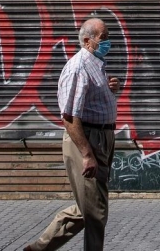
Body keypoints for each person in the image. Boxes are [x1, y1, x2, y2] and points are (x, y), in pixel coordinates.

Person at [25, 17, 120, 251]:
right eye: (104, 38)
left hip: (101, 138)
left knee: (86, 206)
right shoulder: (78, 67)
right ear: (88, 41)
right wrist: (86, 153)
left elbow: (87, 102)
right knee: (96, 212)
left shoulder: (95, 64)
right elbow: (69, 116)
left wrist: (107, 89)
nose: (108, 42)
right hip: (86, 141)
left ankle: (38, 249)